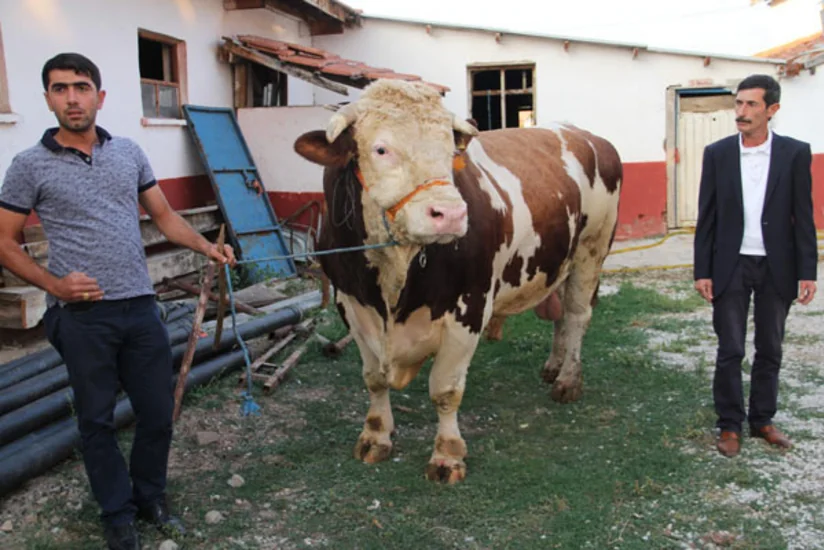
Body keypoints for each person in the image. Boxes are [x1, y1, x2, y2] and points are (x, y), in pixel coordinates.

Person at [0, 53, 236, 550]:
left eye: (81, 87)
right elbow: (4, 241)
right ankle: (116, 513)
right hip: (82, 317)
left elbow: (166, 217)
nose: (72, 98)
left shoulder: (128, 153)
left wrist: (208, 247)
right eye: (60, 88)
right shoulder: (28, 166)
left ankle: (150, 496)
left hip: (140, 308)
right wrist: (54, 285)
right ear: (47, 99)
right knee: (97, 420)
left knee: (156, 412)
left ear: (100, 97)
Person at [693, 73, 817, 458]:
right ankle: (729, 424)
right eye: (739, 104)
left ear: (772, 110)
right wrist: (703, 270)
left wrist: (807, 271)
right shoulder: (718, 153)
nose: (741, 112)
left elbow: (803, 214)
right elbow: (707, 216)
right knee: (730, 348)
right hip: (730, 265)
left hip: (776, 266)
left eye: (751, 105)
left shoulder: (795, 153)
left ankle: (762, 419)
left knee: (770, 347)